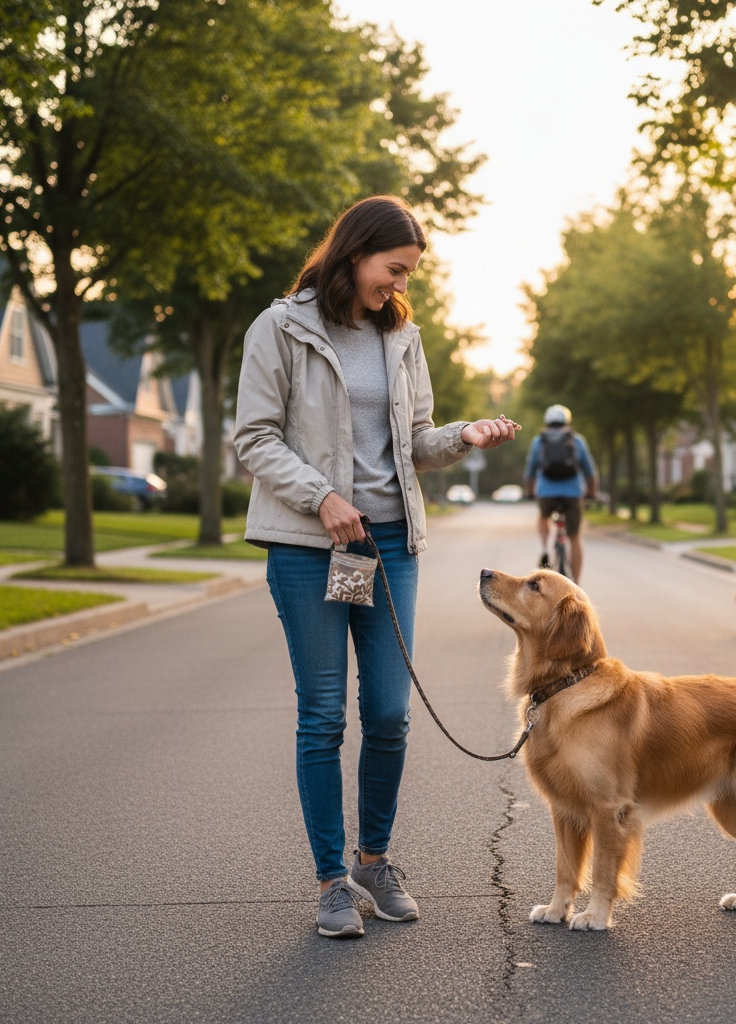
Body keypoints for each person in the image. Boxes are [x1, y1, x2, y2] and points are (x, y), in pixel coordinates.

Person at [233, 195, 519, 940]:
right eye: (393, 269)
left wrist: (463, 436)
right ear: (355, 253)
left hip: (387, 545)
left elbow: (415, 441)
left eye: (408, 274)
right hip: (310, 546)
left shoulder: (401, 337)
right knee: (323, 716)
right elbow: (255, 438)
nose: (399, 285)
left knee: (389, 712)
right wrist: (322, 497)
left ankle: (374, 860)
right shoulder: (280, 328)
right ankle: (331, 880)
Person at [522, 404, 597, 585]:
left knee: (543, 517)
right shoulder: (577, 440)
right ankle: (576, 585)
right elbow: (589, 470)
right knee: (574, 537)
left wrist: (530, 491)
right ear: (567, 421)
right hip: (572, 493)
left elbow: (530, 470)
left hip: (546, 493)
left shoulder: (539, 441)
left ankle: (544, 547)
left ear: (547, 422)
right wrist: (591, 491)